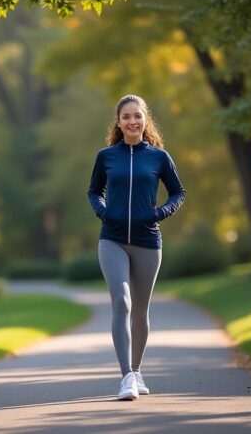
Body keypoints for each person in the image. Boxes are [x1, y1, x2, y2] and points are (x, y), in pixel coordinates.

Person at [87, 94, 186, 401]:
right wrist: (103, 212)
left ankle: (138, 370)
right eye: (126, 117)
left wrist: (159, 213)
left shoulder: (159, 157)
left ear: (145, 120)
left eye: (137, 116)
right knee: (122, 302)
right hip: (112, 239)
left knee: (140, 309)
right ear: (118, 123)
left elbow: (178, 192)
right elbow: (94, 191)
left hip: (147, 241)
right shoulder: (106, 156)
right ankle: (126, 376)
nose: (132, 121)